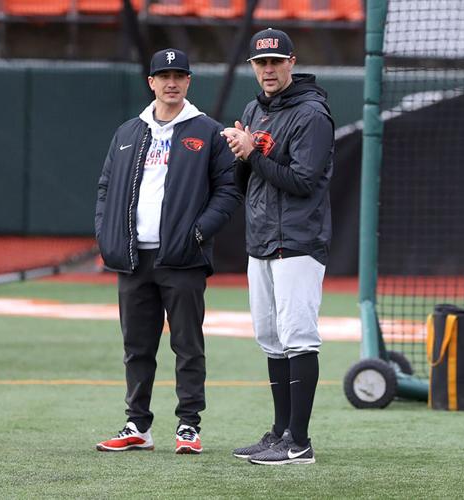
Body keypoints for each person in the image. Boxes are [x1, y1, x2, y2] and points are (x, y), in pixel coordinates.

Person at [94, 48, 241, 455]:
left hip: (182, 258)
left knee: (187, 345)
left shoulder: (208, 131)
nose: (171, 82)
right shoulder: (127, 133)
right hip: (133, 257)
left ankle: (189, 425)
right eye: (164, 75)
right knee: (136, 347)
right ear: (152, 82)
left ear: (189, 81)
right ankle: (137, 424)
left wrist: (197, 234)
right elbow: (105, 188)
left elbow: (228, 191)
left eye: (179, 75)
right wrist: (107, 236)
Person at [221, 28, 334, 465]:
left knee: (298, 336)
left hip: (299, 240)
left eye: (275, 61)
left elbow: (304, 182)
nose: (268, 69)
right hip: (263, 238)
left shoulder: (312, 114)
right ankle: (280, 432)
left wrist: (253, 154)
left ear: (291, 62)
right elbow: (250, 177)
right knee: (270, 337)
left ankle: (300, 442)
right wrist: (239, 154)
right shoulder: (255, 108)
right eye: (260, 63)